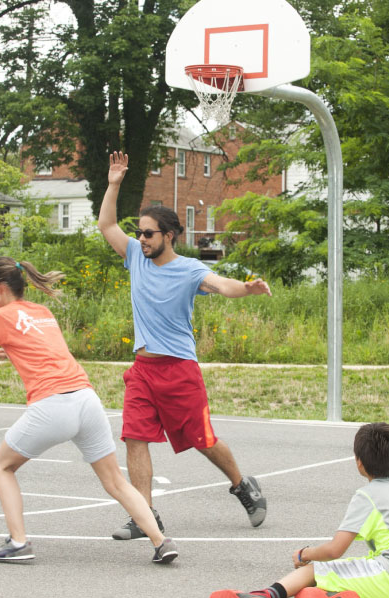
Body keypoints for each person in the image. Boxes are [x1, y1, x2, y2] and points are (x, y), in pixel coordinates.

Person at [0, 256, 178, 564]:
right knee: (115, 482)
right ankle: (161, 541)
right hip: (86, 399)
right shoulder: (41, 312)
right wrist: (12, 350)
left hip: (54, 406)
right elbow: (43, 347)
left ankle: (18, 543)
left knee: (2, 466)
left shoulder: (1, 316)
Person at [98, 151, 272, 541]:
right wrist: (113, 185)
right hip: (143, 369)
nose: (141, 239)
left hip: (179, 369)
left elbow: (222, 286)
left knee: (202, 440)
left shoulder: (189, 268)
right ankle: (146, 516)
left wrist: (247, 288)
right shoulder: (134, 257)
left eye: (148, 233)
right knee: (134, 436)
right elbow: (106, 224)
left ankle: (244, 485)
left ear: (169, 236)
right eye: (139, 233)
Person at [209, 422, 389, 598]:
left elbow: (334, 550)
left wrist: (304, 554)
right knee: (335, 579)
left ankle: (265, 595)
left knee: (315, 571)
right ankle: (333, 597)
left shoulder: (368, 496)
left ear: (359, 462)